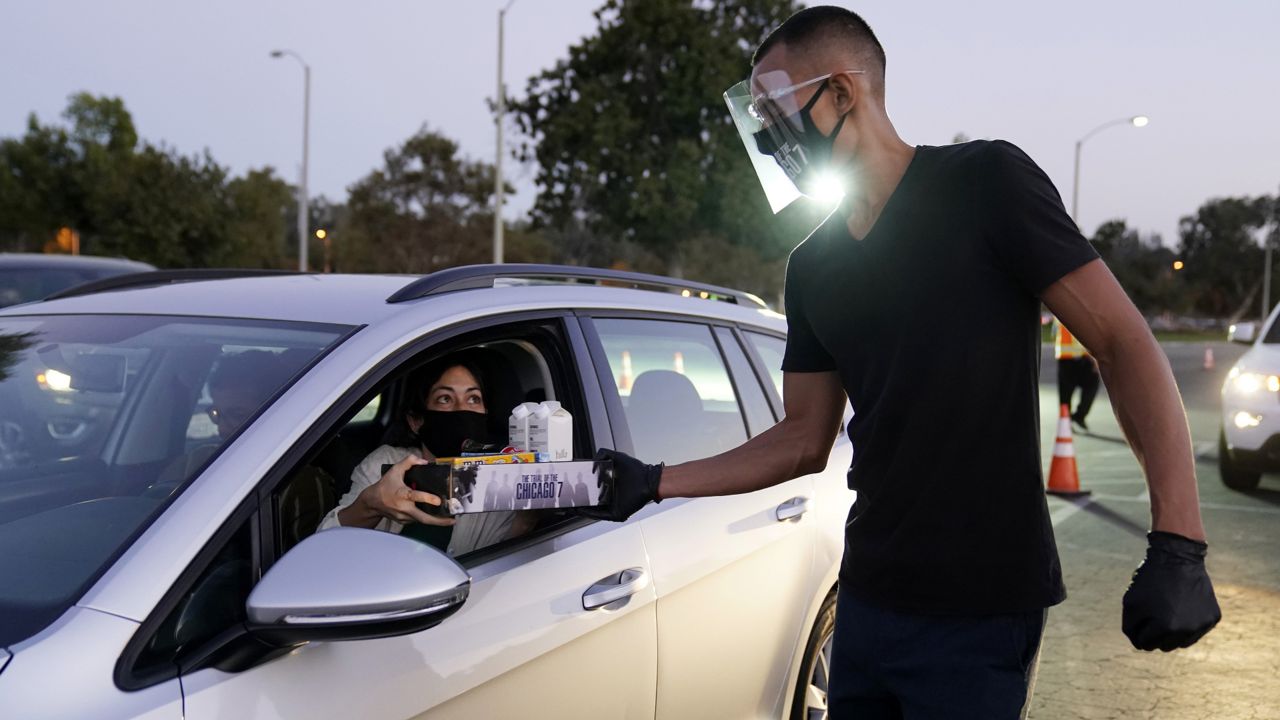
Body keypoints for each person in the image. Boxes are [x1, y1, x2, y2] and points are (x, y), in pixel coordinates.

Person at [585, 7, 1220, 719]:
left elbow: (1122, 343)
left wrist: (1179, 540)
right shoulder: (813, 265)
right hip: (867, 600)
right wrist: (656, 481)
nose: (765, 132)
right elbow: (801, 439)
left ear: (844, 93)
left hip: (979, 610)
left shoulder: (986, 183)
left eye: (775, 106)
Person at [317, 353, 533, 556]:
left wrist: (530, 515)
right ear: (416, 421)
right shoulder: (385, 464)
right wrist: (369, 505)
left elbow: (504, 563)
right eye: (445, 399)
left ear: (485, 413)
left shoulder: (499, 476)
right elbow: (322, 549)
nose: (461, 409)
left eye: (473, 399)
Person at [1054, 316, 1101, 431]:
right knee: (1090, 385)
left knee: (1066, 392)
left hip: (1066, 355)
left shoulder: (1059, 305)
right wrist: (1094, 357)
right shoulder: (1075, 307)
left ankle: (1068, 420)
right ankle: (1075, 417)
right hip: (1078, 356)